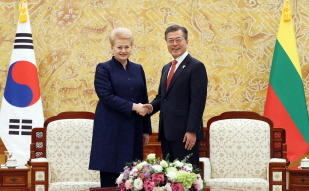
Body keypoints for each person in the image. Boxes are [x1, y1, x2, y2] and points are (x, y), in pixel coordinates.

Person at [89, 27, 152, 187]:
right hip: (111, 130)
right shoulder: (103, 68)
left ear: (131, 47)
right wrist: (133, 106)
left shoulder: (138, 68)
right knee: (111, 179)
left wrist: (146, 130)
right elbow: (106, 96)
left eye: (127, 47)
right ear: (112, 48)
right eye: (119, 47)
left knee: (133, 178)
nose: (123, 50)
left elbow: (144, 98)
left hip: (134, 129)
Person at [144, 25, 207, 167]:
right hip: (167, 132)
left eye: (178, 40)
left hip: (186, 135)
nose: (174, 44)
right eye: (170, 40)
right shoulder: (167, 67)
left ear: (187, 41)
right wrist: (150, 107)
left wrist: (191, 130)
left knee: (186, 178)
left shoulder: (196, 66)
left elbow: (198, 102)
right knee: (170, 179)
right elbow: (162, 97)